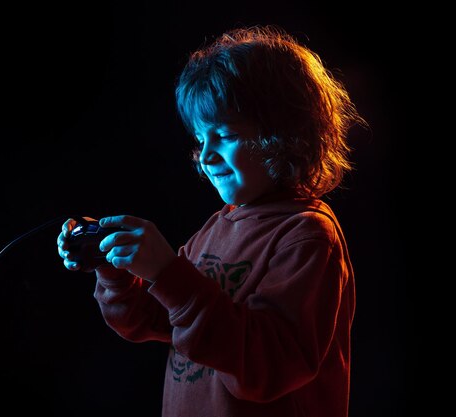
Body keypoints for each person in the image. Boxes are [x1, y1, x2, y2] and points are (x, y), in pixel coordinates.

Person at [56, 25, 364, 417]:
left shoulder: (306, 235)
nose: (205, 156)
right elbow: (150, 321)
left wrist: (168, 274)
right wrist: (113, 265)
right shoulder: (217, 227)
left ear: (287, 135)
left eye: (226, 135)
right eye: (201, 138)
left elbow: (267, 369)